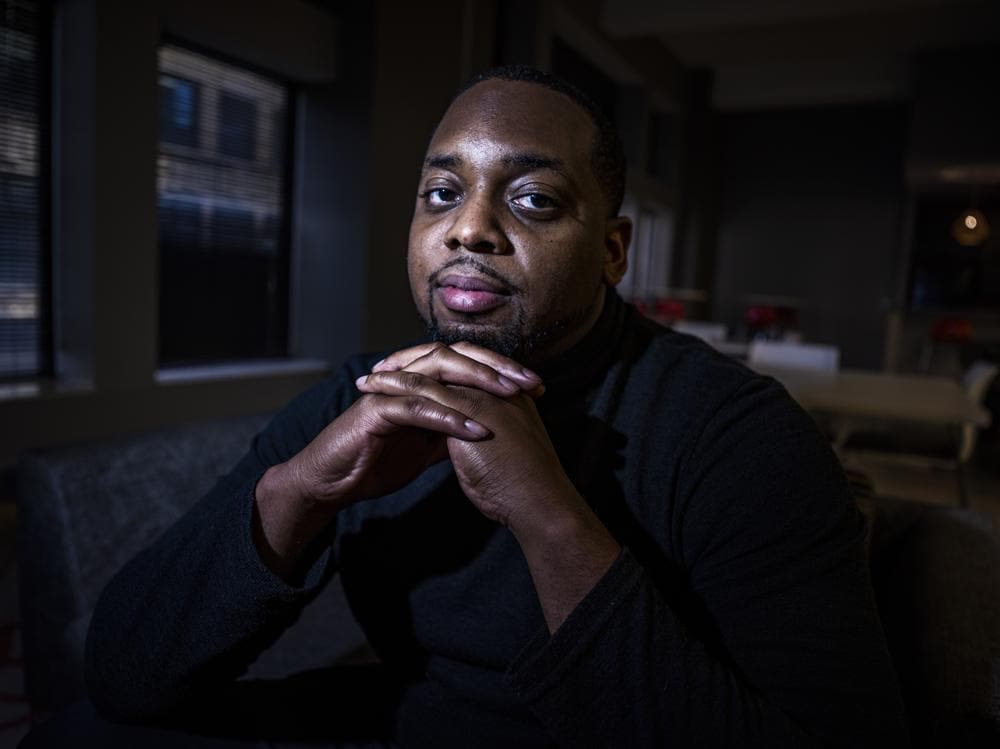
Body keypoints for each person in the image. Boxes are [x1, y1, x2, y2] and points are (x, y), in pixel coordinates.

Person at [23, 65, 908, 748]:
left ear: (610, 252)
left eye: (532, 199)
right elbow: (124, 673)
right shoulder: (372, 392)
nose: (467, 228)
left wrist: (549, 516)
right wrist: (298, 488)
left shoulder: (737, 436)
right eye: (442, 193)